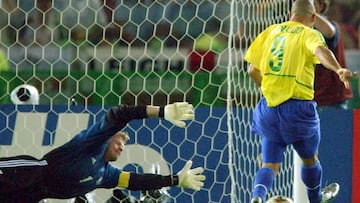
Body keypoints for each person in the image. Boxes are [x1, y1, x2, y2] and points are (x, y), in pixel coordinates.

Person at [243, 0, 356, 202]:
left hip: (268, 108)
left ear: (289, 14)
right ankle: (315, 199)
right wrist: (338, 68)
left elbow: (252, 69)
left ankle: (257, 196)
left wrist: (268, 87)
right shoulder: (309, 33)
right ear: (313, 17)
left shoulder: (270, 31)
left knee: (269, 164)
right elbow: (321, 52)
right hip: (298, 110)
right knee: (310, 159)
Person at [0, 102, 206, 202]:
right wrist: (161, 112)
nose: (122, 146)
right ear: (108, 137)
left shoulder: (106, 174)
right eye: (119, 140)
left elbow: (137, 181)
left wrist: (176, 180)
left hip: (30, 197)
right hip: (26, 173)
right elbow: (118, 114)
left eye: (124, 145)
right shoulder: (90, 143)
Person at [313, 0, 353, 108]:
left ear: (321, 6)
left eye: (310, 3)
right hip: (311, 97)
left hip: (332, 97)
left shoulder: (331, 26)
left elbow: (329, 32)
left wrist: (306, 12)